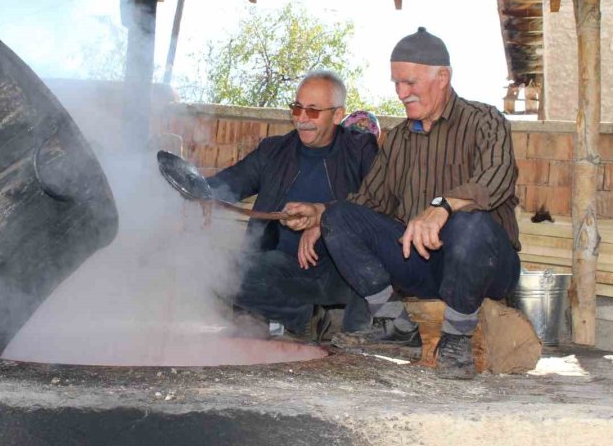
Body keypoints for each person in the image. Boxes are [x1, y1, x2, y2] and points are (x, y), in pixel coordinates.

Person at [283, 28, 521, 379]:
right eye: (395, 83)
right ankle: (394, 323)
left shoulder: (485, 120)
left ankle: (457, 339)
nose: (400, 93)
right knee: (340, 216)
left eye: (409, 83)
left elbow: (498, 177)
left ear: (443, 77)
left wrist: (442, 207)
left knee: (470, 225)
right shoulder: (398, 140)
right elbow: (367, 201)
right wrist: (321, 215)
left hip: (485, 266)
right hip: (423, 266)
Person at [208, 70, 378, 340]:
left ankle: (351, 332)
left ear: (337, 115)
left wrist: (325, 218)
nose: (301, 118)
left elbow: (381, 200)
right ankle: (307, 319)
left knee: (378, 261)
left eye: (312, 111)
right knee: (218, 270)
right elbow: (227, 184)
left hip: (342, 271)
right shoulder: (273, 151)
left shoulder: (360, 150)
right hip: (283, 268)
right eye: (297, 108)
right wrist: (190, 192)